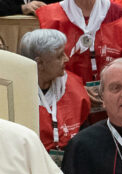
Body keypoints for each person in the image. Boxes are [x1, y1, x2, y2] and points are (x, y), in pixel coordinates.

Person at [18, 29, 90, 158]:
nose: (66, 59)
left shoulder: (75, 87)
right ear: (40, 63)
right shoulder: (17, 94)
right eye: (59, 56)